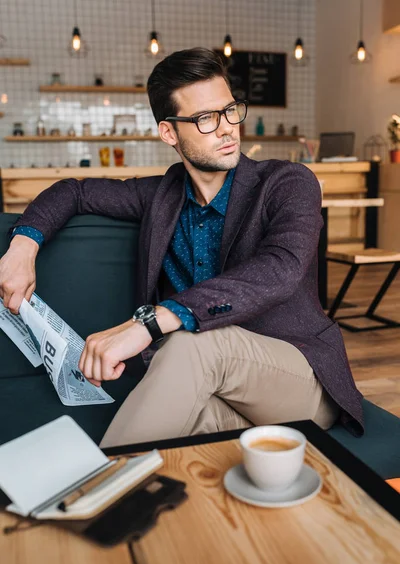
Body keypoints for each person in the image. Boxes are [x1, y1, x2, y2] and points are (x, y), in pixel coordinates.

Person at [0, 48, 364, 446]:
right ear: (169, 132)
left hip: (299, 380)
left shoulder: (287, 183)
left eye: (230, 110)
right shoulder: (159, 196)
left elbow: (280, 270)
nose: (227, 128)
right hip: (218, 391)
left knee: (194, 344)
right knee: (169, 420)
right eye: (206, 118)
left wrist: (151, 322)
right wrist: (22, 247)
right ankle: (113, 494)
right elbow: (74, 192)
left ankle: (94, 499)